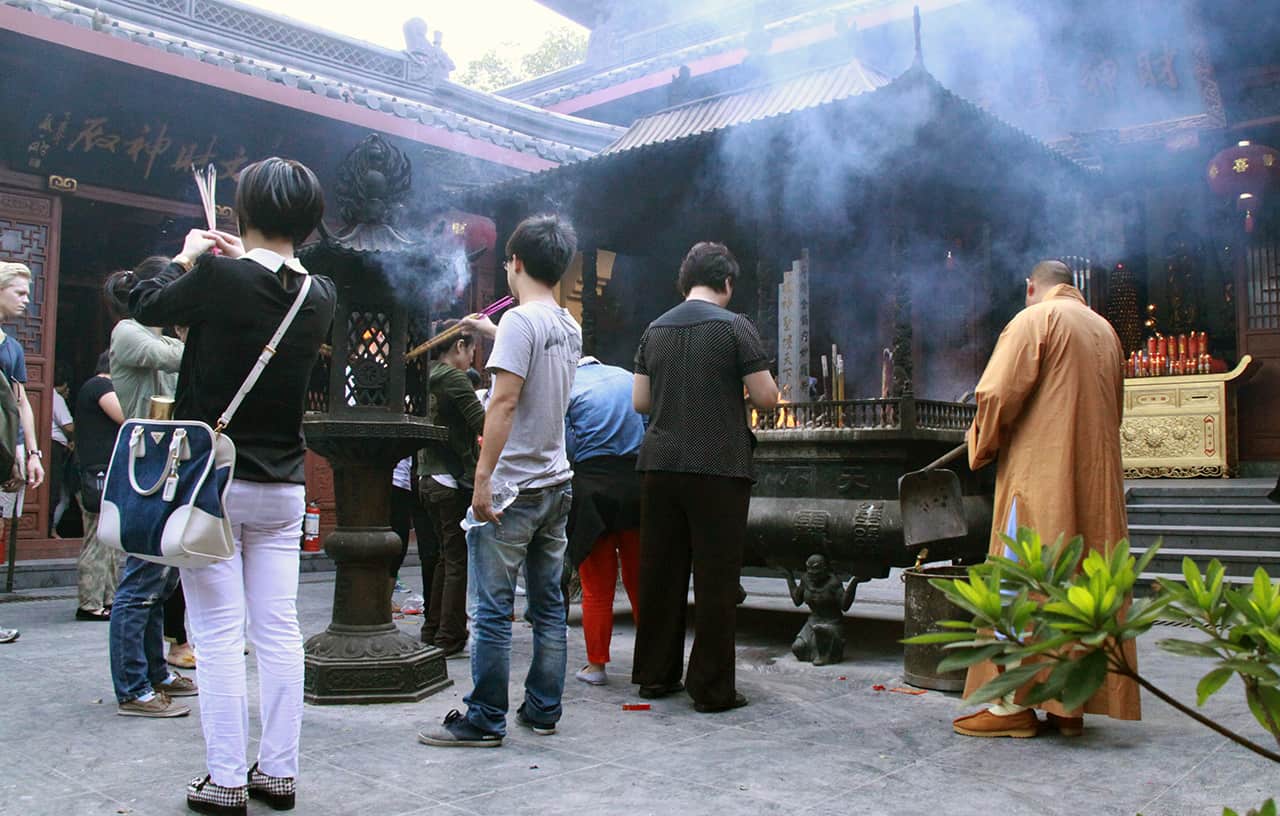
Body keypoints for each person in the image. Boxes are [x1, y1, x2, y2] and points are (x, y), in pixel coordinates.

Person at [131, 156, 334, 813]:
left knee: (217, 632)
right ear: (308, 224)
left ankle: (224, 780)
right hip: (283, 486)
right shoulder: (320, 295)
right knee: (278, 628)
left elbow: (144, 303)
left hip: (211, 484)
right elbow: (259, 294)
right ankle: (277, 773)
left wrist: (187, 257)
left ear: (241, 214)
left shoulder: (216, 275)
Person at [952, 259, 1140, 739]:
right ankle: (1068, 705)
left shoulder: (1034, 319)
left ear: (1031, 287)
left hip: (1041, 477)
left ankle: (1010, 706)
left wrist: (981, 444)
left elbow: (995, 394)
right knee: (1080, 580)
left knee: (1025, 580)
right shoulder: (1106, 332)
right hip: (1095, 481)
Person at [418, 214, 581, 748]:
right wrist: (494, 330)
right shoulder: (568, 323)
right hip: (556, 482)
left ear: (514, 262)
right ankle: (543, 707)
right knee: (548, 604)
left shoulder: (519, 323)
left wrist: (482, 479)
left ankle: (485, 716)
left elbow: (505, 402)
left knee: (491, 609)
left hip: (513, 486)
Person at [630, 242, 777, 713]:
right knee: (715, 579)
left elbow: (641, 401)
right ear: (727, 282)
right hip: (719, 467)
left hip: (660, 465)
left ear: (684, 280)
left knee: (660, 573)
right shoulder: (736, 328)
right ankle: (711, 688)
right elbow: (767, 397)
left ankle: (655, 675)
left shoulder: (654, 330)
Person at [105, 257, 197, 717]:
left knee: (160, 580)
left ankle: (156, 671)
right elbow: (177, 358)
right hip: (145, 466)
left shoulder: (157, 335)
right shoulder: (128, 330)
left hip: (169, 462)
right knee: (140, 582)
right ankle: (133, 687)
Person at [564, 355, 645, 686]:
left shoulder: (568, 387)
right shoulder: (628, 377)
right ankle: (651, 661)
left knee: (596, 586)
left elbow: (567, 447)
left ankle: (596, 666)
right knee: (641, 580)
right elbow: (648, 424)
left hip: (591, 491)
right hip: (635, 486)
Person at [416, 319, 485, 658]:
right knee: (457, 560)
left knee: (445, 557)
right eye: (472, 350)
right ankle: (450, 636)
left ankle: (433, 629)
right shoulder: (454, 378)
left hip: (426, 476)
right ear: (459, 346)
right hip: (450, 476)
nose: (473, 358)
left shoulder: (425, 375)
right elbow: (484, 423)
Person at [0, 261, 45, 644]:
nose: (27, 301)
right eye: (19, 292)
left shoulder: (11, 347)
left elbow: (20, 402)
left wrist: (31, 451)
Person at [74, 352, 125, 621]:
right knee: (97, 540)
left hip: (106, 473)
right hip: (97, 473)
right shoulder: (99, 386)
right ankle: (90, 602)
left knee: (111, 541)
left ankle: (108, 598)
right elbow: (125, 416)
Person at [390, 455, 434, 613]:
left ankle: (383, 600)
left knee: (398, 544)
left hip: (409, 480)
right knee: (393, 544)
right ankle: (380, 601)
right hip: (399, 480)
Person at [50, 363, 75, 537]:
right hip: (54, 447)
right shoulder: (55, 397)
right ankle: (50, 529)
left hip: (49, 446)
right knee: (54, 490)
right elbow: (69, 426)